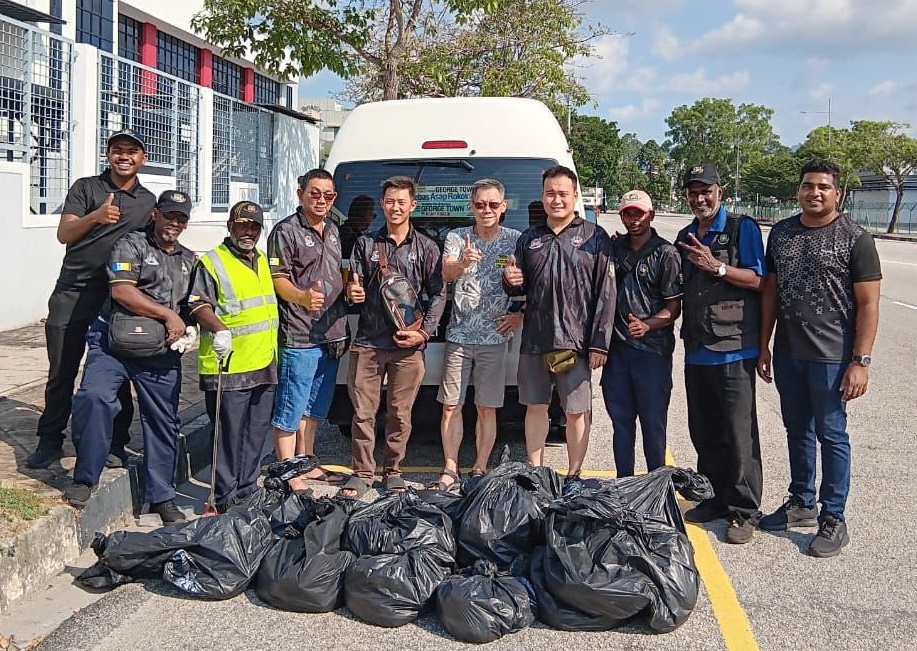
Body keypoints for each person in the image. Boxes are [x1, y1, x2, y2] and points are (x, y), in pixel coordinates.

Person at [757, 159, 881, 558]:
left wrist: (860, 360)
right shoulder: (782, 233)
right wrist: (765, 344)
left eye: (823, 187)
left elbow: (869, 304)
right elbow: (771, 292)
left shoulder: (855, 238)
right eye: (808, 186)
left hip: (831, 356)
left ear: (837, 193)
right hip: (791, 352)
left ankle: (834, 517)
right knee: (797, 430)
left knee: (832, 434)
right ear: (799, 190)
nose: (815, 193)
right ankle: (801, 503)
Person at [65, 190, 196, 524]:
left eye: (181, 218)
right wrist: (167, 316)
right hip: (114, 343)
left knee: (164, 421)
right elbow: (122, 290)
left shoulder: (188, 259)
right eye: (169, 216)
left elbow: (192, 304)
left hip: (159, 352)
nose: (174, 224)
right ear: (155, 214)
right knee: (93, 398)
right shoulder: (130, 244)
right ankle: (84, 479)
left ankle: (162, 496)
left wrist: (192, 327)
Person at [26, 129, 154, 470]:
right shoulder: (86, 188)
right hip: (73, 292)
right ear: (108, 154)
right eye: (117, 150)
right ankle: (50, 440)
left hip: (117, 297)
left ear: (142, 158)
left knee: (117, 373)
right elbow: (63, 234)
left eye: (131, 151)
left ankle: (115, 442)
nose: (124, 156)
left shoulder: (148, 202)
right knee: (62, 371)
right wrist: (95, 217)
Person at [502, 165, 615, 484]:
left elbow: (606, 293)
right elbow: (518, 286)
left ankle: (574, 473)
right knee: (535, 407)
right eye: (550, 193)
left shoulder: (595, 237)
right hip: (536, 340)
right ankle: (536, 472)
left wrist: (598, 342)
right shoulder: (530, 238)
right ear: (542, 196)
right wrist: (508, 281)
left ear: (575, 196)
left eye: (563, 194)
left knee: (576, 411)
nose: (556, 200)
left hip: (576, 343)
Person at [675, 163, 766, 545]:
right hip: (697, 349)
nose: (700, 198)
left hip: (733, 348)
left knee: (738, 433)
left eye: (706, 191)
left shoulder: (741, 228)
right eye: (693, 192)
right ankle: (713, 497)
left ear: (720, 191)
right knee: (705, 429)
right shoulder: (684, 234)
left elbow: (759, 279)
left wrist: (719, 267)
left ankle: (744, 510)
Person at [341, 175, 447, 498]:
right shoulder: (366, 243)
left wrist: (424, 333)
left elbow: (439, 294)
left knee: (401, 414)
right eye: (390, 201)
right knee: (363, 413)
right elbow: (352, 284)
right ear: (382, 204)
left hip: (407, 347)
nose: (395, 207)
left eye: (402, 202)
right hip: (368, 342)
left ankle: (393, 470)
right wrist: (353, 292)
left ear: (413, 205)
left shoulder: (427, 247)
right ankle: (362, 472)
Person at [428, 179, 523, 491]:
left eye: (493, 204)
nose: (486, 210)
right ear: (471, 206)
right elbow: (446, 273)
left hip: (495, 339)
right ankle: (450, 468)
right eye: (480, 204)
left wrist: (519, 315)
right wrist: (462, 263)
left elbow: (533, 284)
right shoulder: (458, 237)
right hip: (458, 336)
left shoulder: (515, 240)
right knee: (450, 405)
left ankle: (480, 467)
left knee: (487, 407)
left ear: (503, 207)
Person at [186, 200, 279, 513]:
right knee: (228, 436)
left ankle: (248, 489)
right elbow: (198, 304)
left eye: (254, 226)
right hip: (228, 364)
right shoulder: (213, 263)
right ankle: (224, 497)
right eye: (242, 225)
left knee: (255, 433)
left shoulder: (263, 260)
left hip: (263, 362)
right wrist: (219, 328)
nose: (248, 231)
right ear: (229, 226)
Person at [268, 170, 350, 493]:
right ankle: (290, 472)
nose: (321, 200)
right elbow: (277, 278)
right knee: (290, 407)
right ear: (300, 193)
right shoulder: (285, 231)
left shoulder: (332, 229)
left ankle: (307, 459)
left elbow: (338, 270)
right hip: (300, 336)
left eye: (328, 195)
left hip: (331, 334)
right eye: (314, 193)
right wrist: (301, 297)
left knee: (314, 408)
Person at [601, 190, 682, 478]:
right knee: (621, 423)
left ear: (651, 215)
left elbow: (674, 305)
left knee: (653, 423)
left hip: (652, 352)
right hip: (618, 351)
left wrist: (649, 324)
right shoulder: (613, 249)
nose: (633, 219)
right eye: (627, 213)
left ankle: (654, 486)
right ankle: (625, 485)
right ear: (621, 215)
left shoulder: (666, 253)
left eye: (639, 213)